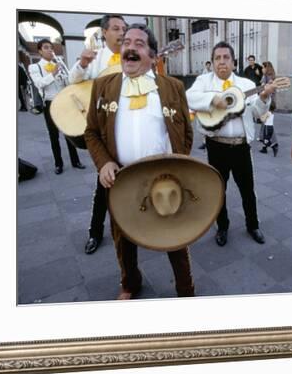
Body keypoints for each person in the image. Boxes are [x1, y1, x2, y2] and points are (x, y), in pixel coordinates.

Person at [84, 23, 195, 300]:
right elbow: (92, 132)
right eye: (126, 42)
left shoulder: (173, 87)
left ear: (153, 55)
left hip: (165, 179)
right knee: (123, 239)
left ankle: (186, 290)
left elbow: (186, 132)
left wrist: (179, 166)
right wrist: (104, 163)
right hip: (121, 179)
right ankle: (130, 284)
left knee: (176, 238)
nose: (130, 48)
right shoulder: (103, 86)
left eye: (139, 44)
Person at [186, 41, 276, 247]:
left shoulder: (246, 85)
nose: (221, 62)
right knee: (218, 189)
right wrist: (213, 100)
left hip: (241, 145)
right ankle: (222, 227)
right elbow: (188, 97)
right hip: (216, 145)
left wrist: (263, 97)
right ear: (212, 62)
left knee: (247, 189)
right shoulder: (203, 81)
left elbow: (257, 112)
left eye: (226, 58)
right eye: (217, 58)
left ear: (234, 62)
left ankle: (253, 225)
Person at [68, 15, 128, 255]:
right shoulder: (97, 58)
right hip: (103, 131)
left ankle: (135, 228)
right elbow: (74, 80)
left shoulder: (132, 55)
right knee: (104, 183)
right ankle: (95, 232)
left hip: (126, 126)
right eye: (116, 28)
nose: (121, 32)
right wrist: (82, 63)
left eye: (124, 28)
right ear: (105, 33)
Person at [28, 39, 85, 175]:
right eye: (46, 48)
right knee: (53, 135)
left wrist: (66, 77)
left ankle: (75, 161)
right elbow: (39, 84)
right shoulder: (34, 67)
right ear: (40, 51)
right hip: (49, 103)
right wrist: (53, 74)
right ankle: (58, 164)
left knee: (69, 132)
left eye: (51, 48)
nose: (50, 50)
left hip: (64, 102)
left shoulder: (58, 64)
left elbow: (68, 82)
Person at [258, 61, 278, 156]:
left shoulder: (270, 78)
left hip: (268, 103)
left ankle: (270, 144)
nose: (262, 69)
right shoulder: (266, 76)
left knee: (268, 124)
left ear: (267, 68)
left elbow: (269, 92)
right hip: (265, 103)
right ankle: (266, 145)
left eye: (263, 67)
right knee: (266, 124)